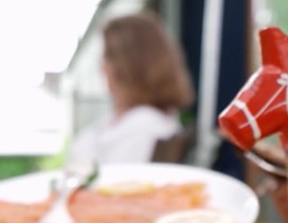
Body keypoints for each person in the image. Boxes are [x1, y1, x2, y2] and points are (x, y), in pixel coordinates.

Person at [66, 11, 196, 164]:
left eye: (107, 57)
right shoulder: (145, 125)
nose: (102, 67)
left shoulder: (145, 128)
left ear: (126, 66)